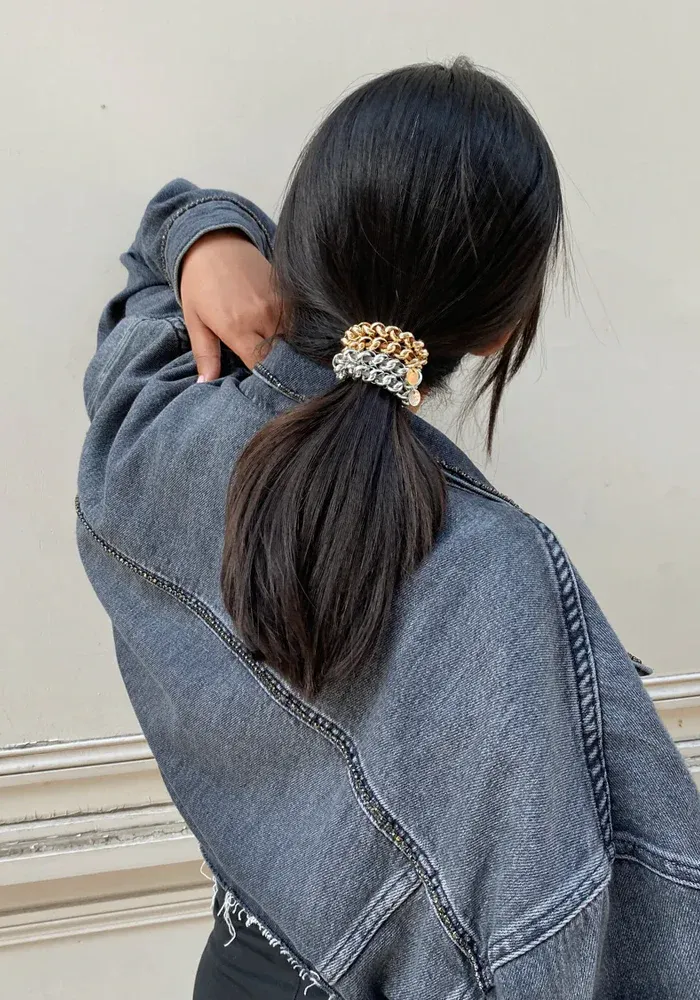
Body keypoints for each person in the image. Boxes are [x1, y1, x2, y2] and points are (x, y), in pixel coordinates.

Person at [77, 59, 700, 999]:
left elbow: (151, 263)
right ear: (500, 330)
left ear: (298, 254)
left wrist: (203, 234)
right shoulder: (503, 581)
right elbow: (560, 939)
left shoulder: (156, 421)